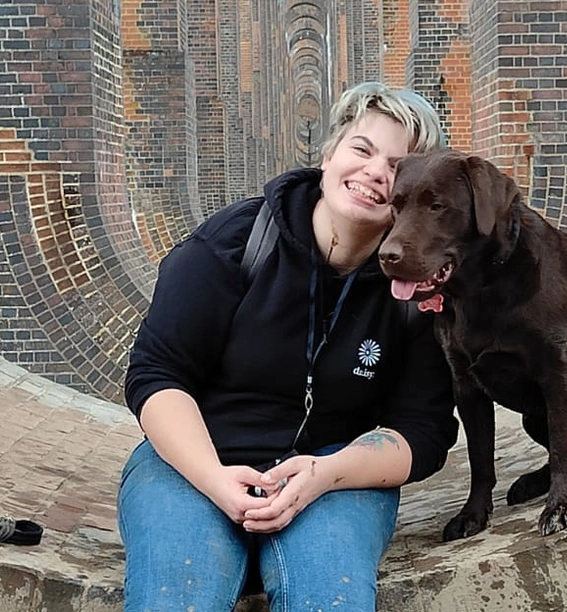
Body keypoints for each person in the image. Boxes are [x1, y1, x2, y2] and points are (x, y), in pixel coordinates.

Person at [117, 82, 459, 612]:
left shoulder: (415, 299)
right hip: (194, 459)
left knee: (330, 599)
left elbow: (424, 430)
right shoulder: (235, 243)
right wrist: (213, 478)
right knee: (178, 596)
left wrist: (325, 474)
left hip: (335, 472)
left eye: (397, 166)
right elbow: (157, 375)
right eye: (361, 150)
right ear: (328, 155)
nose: (373, 171)